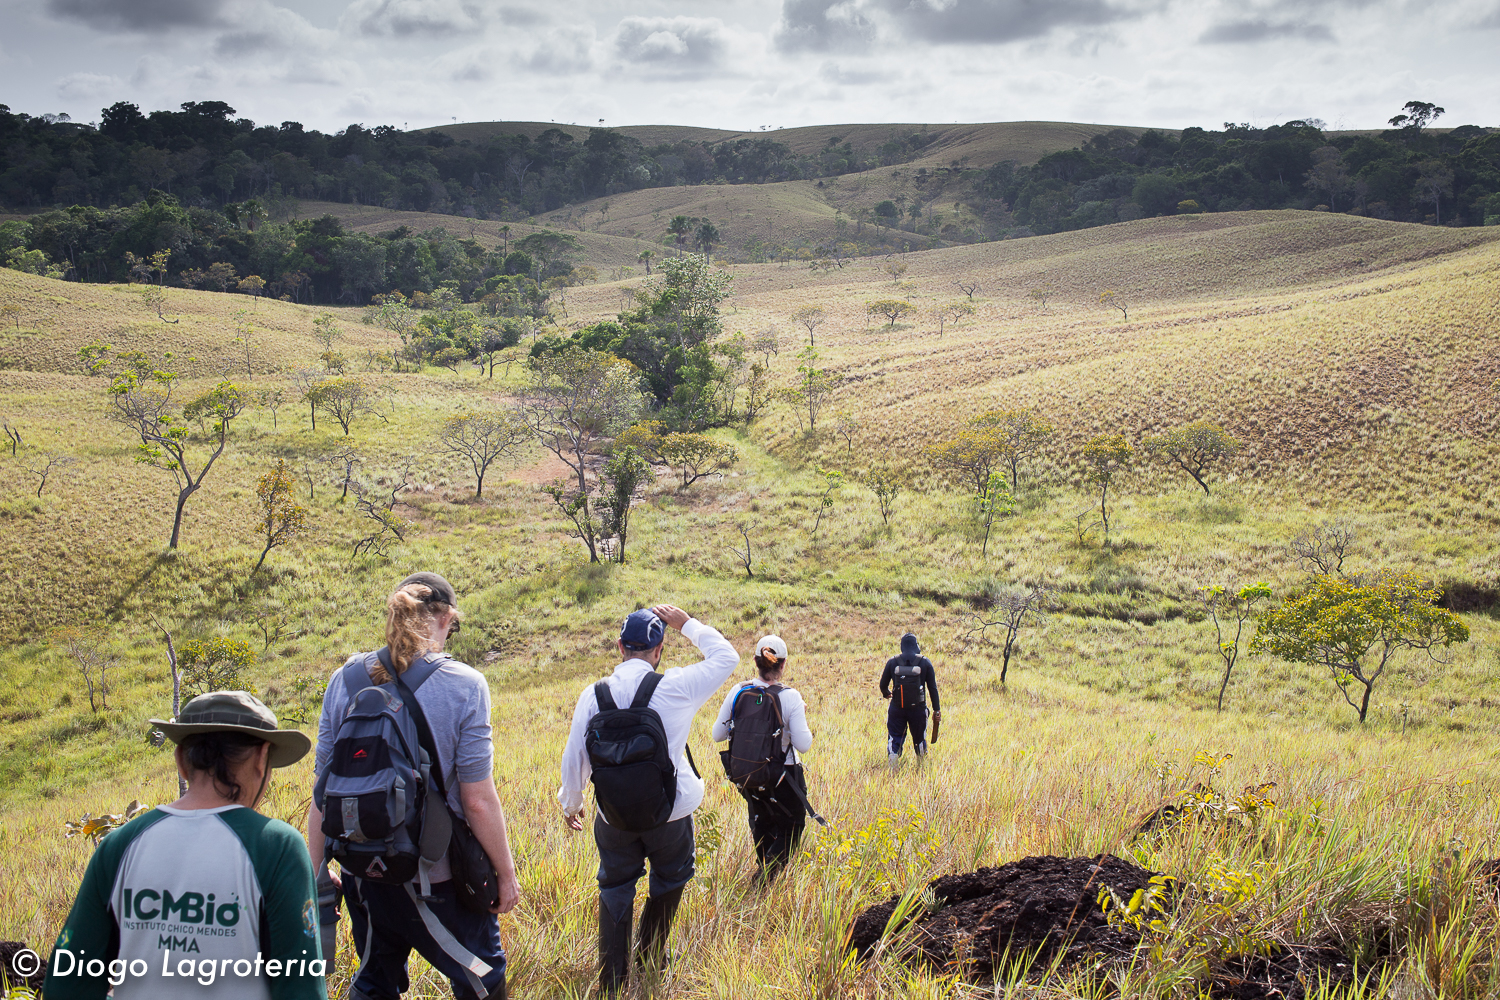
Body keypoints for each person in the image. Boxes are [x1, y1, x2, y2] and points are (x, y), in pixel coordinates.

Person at [307, 573, 520, 1000]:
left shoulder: (344, 680)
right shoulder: (465, 684)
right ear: (444, 618)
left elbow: (322, 792)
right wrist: (507, 874)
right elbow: (476, 801)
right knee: (483, 978)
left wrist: (315, 874)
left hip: (362, 872)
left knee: (374, 979)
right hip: (438, 875)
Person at [44, 691, 325, 1000]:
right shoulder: (277, 846)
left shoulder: (119, 845)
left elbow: (67, 981)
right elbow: (301, 986)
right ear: (262, 758)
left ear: (180, 759)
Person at [558, 605, 738, 997]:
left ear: (620, 646)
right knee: (671, 878)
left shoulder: (593, 695)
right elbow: (727, 656)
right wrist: (686, 624)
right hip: (670, 815)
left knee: (615, 886)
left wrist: (571, 804)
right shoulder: (676, 686)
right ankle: (651, 956)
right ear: (659, 650)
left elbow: (575, 758)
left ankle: (612, 978)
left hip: (613, 817)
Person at [712, 634, 813, 881]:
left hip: (750, 775)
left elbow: (718, 735)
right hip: (784, 776)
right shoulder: (790, 696)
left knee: (761, 824)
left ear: (755, 661)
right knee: (792, 827)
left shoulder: (738, 690)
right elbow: (804, 745)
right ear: (783, 664)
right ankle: (765, 878)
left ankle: (764, 875)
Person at [880, 632, 940, 761]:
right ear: (915, 645)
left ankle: (893, 761)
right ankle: (921, 765)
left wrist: (887, 693)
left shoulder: (892, 661)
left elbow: (882, 685)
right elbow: (932, 688)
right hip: (918, 709)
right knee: (919, 738)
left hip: (897, 708)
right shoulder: (925, 662)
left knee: (895, 736)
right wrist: (937, 709)